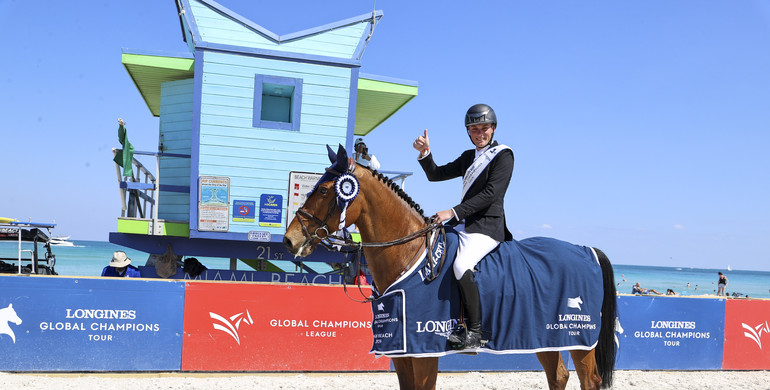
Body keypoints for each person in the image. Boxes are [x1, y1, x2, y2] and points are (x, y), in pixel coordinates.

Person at [412, 103, 514, 350]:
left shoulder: (504, 155)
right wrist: (426, 154)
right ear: (469, 132)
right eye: (474, 129)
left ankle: (476, 332)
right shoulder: (469, 157)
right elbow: (435, 174)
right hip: (464, 225)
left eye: (484, 128)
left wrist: (453, 211)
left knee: (460, 265)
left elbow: (491, 194)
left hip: (487, 227)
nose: (480, 133)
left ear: (493, 128)